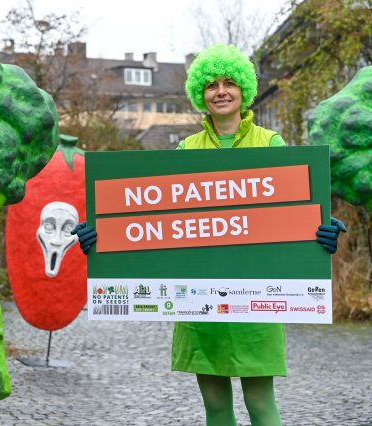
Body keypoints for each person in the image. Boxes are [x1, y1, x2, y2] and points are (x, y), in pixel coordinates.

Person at [72, 44, 347, 426]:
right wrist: (104, 238)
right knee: (215, 406)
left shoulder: (271, 144)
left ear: (244, 90)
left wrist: (321, 233)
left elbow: (293, 213)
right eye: (212, 84)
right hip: (200, 298)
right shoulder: (186, 150)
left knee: (260, 402)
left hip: (257, 298)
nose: (221, 91)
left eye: (229, 83)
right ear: (200, 92)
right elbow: (159, 223)